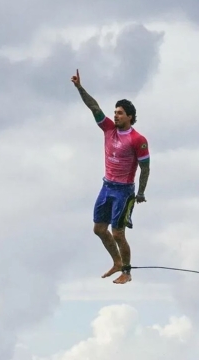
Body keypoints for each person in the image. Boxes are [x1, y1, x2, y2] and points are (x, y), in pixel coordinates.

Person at [71, 69, 150, 285]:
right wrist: (79, 88)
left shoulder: (138, 139)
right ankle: (116, 262)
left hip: (124, 191)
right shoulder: (108, 129)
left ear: (130, 117)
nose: (115, 115)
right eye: (115, 112)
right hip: (107, 186)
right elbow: (94, 107)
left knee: (118, 233)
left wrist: (141, 192)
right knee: (98, 229)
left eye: (120, 113)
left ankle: (127, 271)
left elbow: (145, 168)